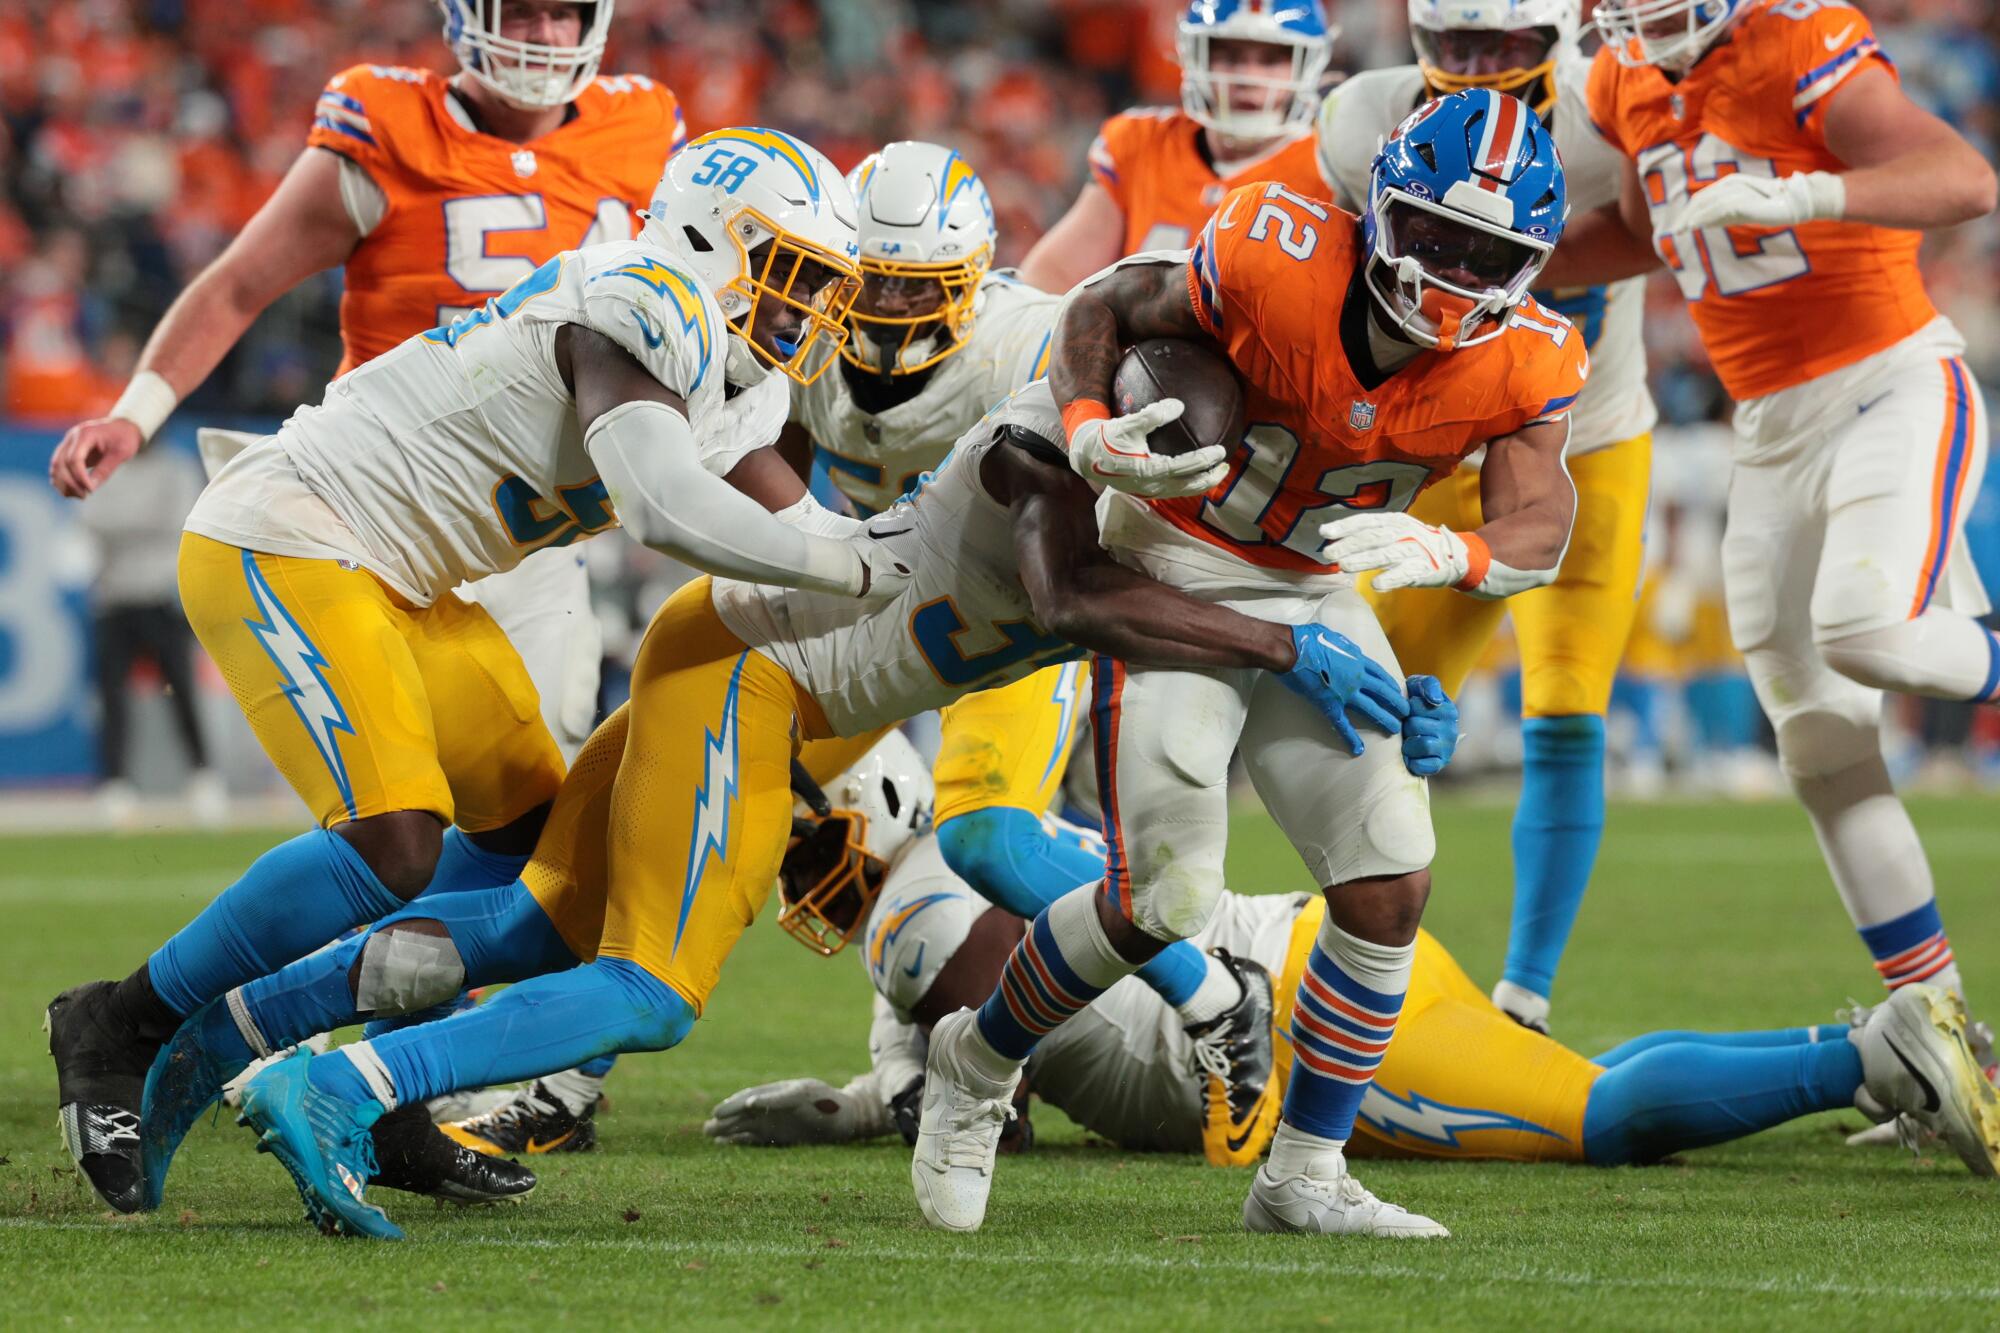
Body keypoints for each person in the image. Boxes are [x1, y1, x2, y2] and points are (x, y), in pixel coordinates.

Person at [179, 375, 1448, 1240]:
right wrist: (1288, 665)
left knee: (533, 926)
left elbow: (1247, 594)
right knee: (648, 991)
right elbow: (1079, 604)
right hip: (755, 674)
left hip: (742, 665)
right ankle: (347, 1084)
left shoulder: (1173, 487)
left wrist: (1387, 684)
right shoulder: (1046, 439)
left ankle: (203, 1036)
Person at [46, 127, 894, 1217]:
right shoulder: (641, 302)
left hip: (412, 583)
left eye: (822, 280)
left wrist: (894, 566)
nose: (806, 304)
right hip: (292, 535)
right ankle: (122, 1019)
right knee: (394, 841)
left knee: (535, 863)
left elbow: (805, 525)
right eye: (791, 271)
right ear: (711, 240)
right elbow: (660, 505)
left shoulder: (734, 371)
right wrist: (854, 564)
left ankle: (386, 1101)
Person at [912, 88, 1587, 1240]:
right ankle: (973, 1064)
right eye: (1432, 236)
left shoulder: (1527, 357)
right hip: (1174, 561)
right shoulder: (1274, 250)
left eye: (1488, 255)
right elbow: (1107, 301)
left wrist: (1453, 547)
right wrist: (1082, 415)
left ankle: (1302, 1176)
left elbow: (1539, 518)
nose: (1451, 274)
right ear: (1378, 210)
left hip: (1315, 583)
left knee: (1387, 881)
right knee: (1162, 898)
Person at [774, 140, 1279, 1161]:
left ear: (969, 284)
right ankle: (575, 1078)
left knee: (983, 840)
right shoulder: (799, 349)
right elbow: (771, 500)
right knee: (723, 794)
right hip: (879, 615)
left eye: (912, 291)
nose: (880, 314)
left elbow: (1130, 363)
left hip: (1003, 631)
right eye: (863, 284)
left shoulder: (1022, 339)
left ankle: (1217, 994)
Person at [48, 0, 684, 764]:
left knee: (534, 800)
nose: (546, 36)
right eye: (520, 14)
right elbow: (238, 284)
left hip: (536, 534)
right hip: (385, 515)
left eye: (564, 14)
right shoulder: (389, 123)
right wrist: (135, 414)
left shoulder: (641, 126)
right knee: (397, 808)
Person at [706, 819, 2000, 1182]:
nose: (819, 887)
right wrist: (843, 1104)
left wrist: (917, 1088)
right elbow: (932, 1066)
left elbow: (988, 1040)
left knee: (1599, 1121)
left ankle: (1874, 1059)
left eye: (816, 851)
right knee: (1577, 1090)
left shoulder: (922, 898)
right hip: (1309, 957)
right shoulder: (939, 869)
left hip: (1308, 1016)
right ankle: (1863, 1045)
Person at [1578, 0, 1997, 1037]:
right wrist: (1485, 265)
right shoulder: (1620, 77)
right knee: (1815, 744)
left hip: (1886, 384)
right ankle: (1937, 1030)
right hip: (1763, 430)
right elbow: (1643, 234)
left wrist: (1801, 191)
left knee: (1864, 630)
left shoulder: (1799, 37)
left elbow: (1963, 179)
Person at [1314, 0, 1655, 1035]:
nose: (1472, 66)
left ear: (1553, 39)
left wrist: (1470, 251)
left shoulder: (1602, 117)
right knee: (1371, 710)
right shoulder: (1361, 114)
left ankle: (1523, 999)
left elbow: (1652, 236)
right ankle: (1350, 966)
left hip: (1582, 438)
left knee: (1564, 710)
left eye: (1501, 46)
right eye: (1453, 43)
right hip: (1433, 448)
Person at [1017, 0, 1334, 294]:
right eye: (1230, 56)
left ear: (1308, 64)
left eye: (1272, 59)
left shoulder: (1335, 167)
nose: (1249, 77)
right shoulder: (1140, 142)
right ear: (1194, 54)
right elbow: (1050, 280)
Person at [75, 445, 227, 826]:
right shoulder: (106, 471)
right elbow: (91, 518)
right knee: (113, 698)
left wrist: (125, 522)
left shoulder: (174, 469)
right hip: (115, 600)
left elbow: (184, 519)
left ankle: (202, 777)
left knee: (182, 692)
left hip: (162, 599)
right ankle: (114, 785)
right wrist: (142, 520)